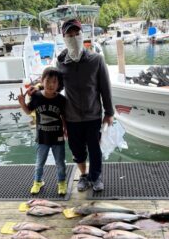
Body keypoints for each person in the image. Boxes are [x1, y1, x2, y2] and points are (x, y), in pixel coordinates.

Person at [56, 18, 114, 192]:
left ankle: (95, 177)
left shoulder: (96, 60)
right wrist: (37, 90)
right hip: (71, 116)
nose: (74, 38)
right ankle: (83, 175)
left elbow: (105, 87)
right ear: (64, 38)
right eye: (69, 35)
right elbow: (56, 87)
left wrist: (109, 112)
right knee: (77, 150)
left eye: (77, 34)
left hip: (93, 115)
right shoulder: (60, 63)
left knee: (95, 148)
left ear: (83, 35)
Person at [18, 67, 67, 195]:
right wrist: (22, 103)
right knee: (39, 163)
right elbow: (29, 111)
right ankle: (37, 182)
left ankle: (61, 182)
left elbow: (64, 117)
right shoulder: (36, 97)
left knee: (60, 163)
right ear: (42, 81)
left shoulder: (62, 100)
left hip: (58, 138)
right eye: (48, 81)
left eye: (54, 82)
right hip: (42, 138)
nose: (51, 85)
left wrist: (66, 130)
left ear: (58, 84)